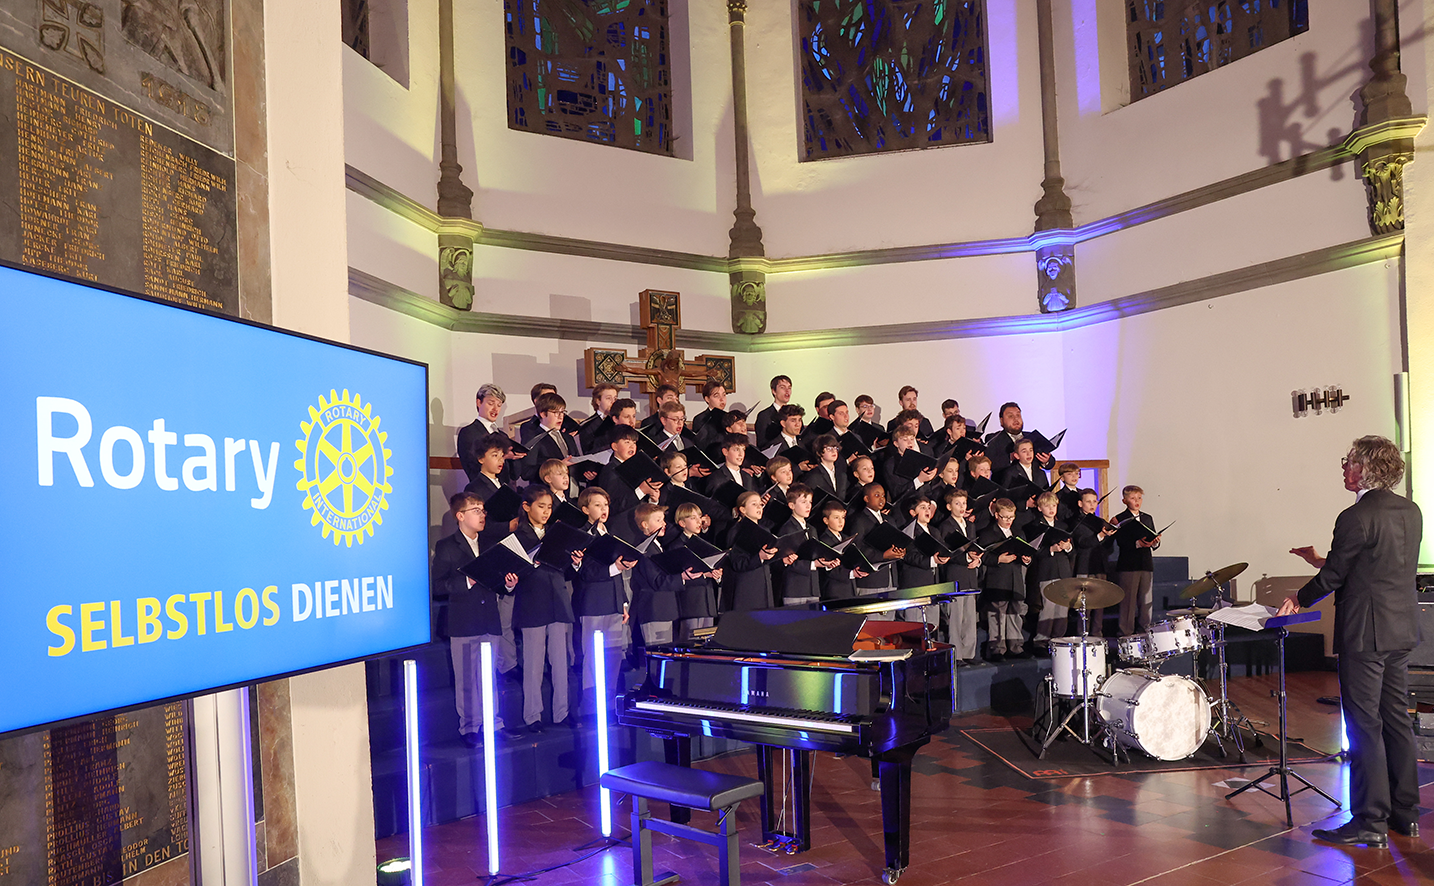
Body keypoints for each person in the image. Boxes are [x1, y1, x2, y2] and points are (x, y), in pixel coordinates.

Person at [1277, 436, 1423, 847]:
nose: (1344, 468)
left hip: (1365, 633)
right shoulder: (1410, 510)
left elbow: (1336, 577)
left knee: (1363, 725)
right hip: (1400, 630)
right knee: (1394, 718)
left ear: (1366, 468)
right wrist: (1319, 561)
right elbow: (1373, 564)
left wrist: (1298, 597)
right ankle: (1405, 814)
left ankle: (1370, 823)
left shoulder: (1354, 516)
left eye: (1349, 462)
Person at [432, 493, 520, 745]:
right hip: (464, 620)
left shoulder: (491, 544)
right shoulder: (447, 546)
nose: (482, 515)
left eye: (483, 510)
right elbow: (437, 586)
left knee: (489, 676)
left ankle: (493, 723)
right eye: (476, 510)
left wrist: (509, 584)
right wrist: (467, 581)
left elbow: (497, 581)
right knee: (467, 678)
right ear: (460, 516)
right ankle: (469, 727)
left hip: (489, 617)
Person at [511, 485, 582, 731]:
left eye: (550, 507)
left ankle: (562, 713)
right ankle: (533, 716)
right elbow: (512, 571)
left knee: (561, 662)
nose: (546, 512)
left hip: (558, 600)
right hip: (533, 602)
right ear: (526, 507)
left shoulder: (557, 533)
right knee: (533, 663)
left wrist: (574, 562)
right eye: (541, 506)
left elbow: (565, 571)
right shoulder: (518, 536)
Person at [573, 487, 636, 704]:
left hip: (613, 604)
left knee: (613, 657)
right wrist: (616, 568)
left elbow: (618, 575)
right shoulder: (582, 535)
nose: (603, 509)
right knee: (594, 658)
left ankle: (609, 703)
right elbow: (586, 572)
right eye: (597, 505)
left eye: (606, 505)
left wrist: (623, 604)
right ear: (585, 509)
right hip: (593, 603)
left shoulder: (608, 534)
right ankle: (593, 706)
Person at [1111, 484, 1160, 637]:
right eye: (1132, 498)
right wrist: (1138, 543)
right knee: (1128, 602)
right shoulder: (1119, 518)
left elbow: (1153, 537)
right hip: (1128, 564)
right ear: (1125, 500)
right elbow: (1120, 542)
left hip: (1145, 563)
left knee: (1146, 601)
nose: (1137, 501)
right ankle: (1125, 632)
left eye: (1139, 498)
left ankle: (1145, 630)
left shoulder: (1147, 517)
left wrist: (1155, 541)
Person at [754, 375, 792, 448]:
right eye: (782, 387)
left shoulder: (794, 413)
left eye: (789, 388)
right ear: (774, 391)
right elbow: (762, 444)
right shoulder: (764, 415)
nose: (787, 391)